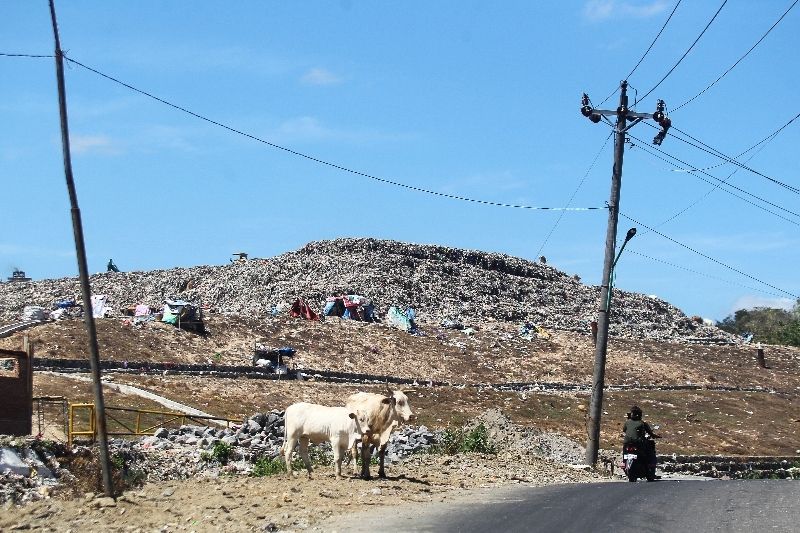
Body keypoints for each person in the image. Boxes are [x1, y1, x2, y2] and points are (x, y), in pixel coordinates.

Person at [623, 405, 661, 480]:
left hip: (627, 443)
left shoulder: (627, 422)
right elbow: (650, 433)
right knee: (649, 454)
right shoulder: (642, 423)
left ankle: (624, 463)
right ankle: (649, 468)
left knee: (625, 453)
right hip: (638, 443)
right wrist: (656, 436)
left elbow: (624, 430)